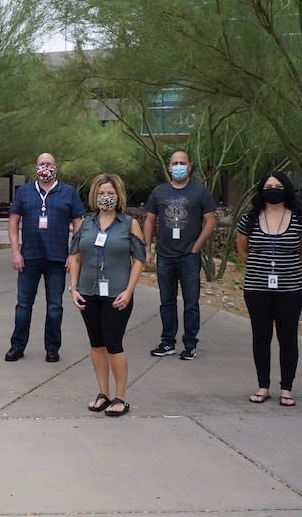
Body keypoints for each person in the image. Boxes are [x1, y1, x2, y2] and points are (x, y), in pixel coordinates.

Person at [68, 174, 146, 417]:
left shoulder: (129, 224)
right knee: (96, 344)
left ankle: (121, 396)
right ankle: (103, 392)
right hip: (89, 293)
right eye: (102, 193)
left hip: (117, 294)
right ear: (94, 195)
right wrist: (73, 288)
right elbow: (76, 257)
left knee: (113, 344)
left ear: (118, 195)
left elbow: (138, 260)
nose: (106, 197)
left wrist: (129, 290)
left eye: (111, 193)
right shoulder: (86, 224)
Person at [236, 172, 302, 407]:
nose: (273, 189)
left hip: (290, 288)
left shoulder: (300, 219)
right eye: (268, 186)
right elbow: (243, 251)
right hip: (257, 287)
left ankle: (287, 388)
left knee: (287, 337)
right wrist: (261, 269)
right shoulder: (249, 218)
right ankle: (263, 386)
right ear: (261, 190)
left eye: (278, 186)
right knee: (261, 337)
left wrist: (285, 270)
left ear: (287, 189)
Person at [7, 153, 86, 363]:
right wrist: (15, 252)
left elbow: (78, 223)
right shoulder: (24, 191)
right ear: (36, 168)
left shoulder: (68, 192)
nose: (45, 167)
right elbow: (13, 222)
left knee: (54, 306)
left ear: (56, 168)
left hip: (57, 259)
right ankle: (17, 346)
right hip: (29, 258)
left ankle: (52, 347)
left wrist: (73, 253)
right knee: (23, 305)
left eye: (49, 164)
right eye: (42, 164)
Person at [144, 151, 217, 360]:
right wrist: (148, 248)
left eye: (182, 163)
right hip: (165, 256)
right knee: (166, 301)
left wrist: (197, 246)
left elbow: (211, 221)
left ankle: (190, 344)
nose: (178, 166)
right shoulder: (159, 191)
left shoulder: (200, 191)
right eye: (175, 163)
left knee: (191, 302)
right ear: (168, 167)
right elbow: (149, 221)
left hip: (189, 256)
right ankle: (168, 342)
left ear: (190, 167)